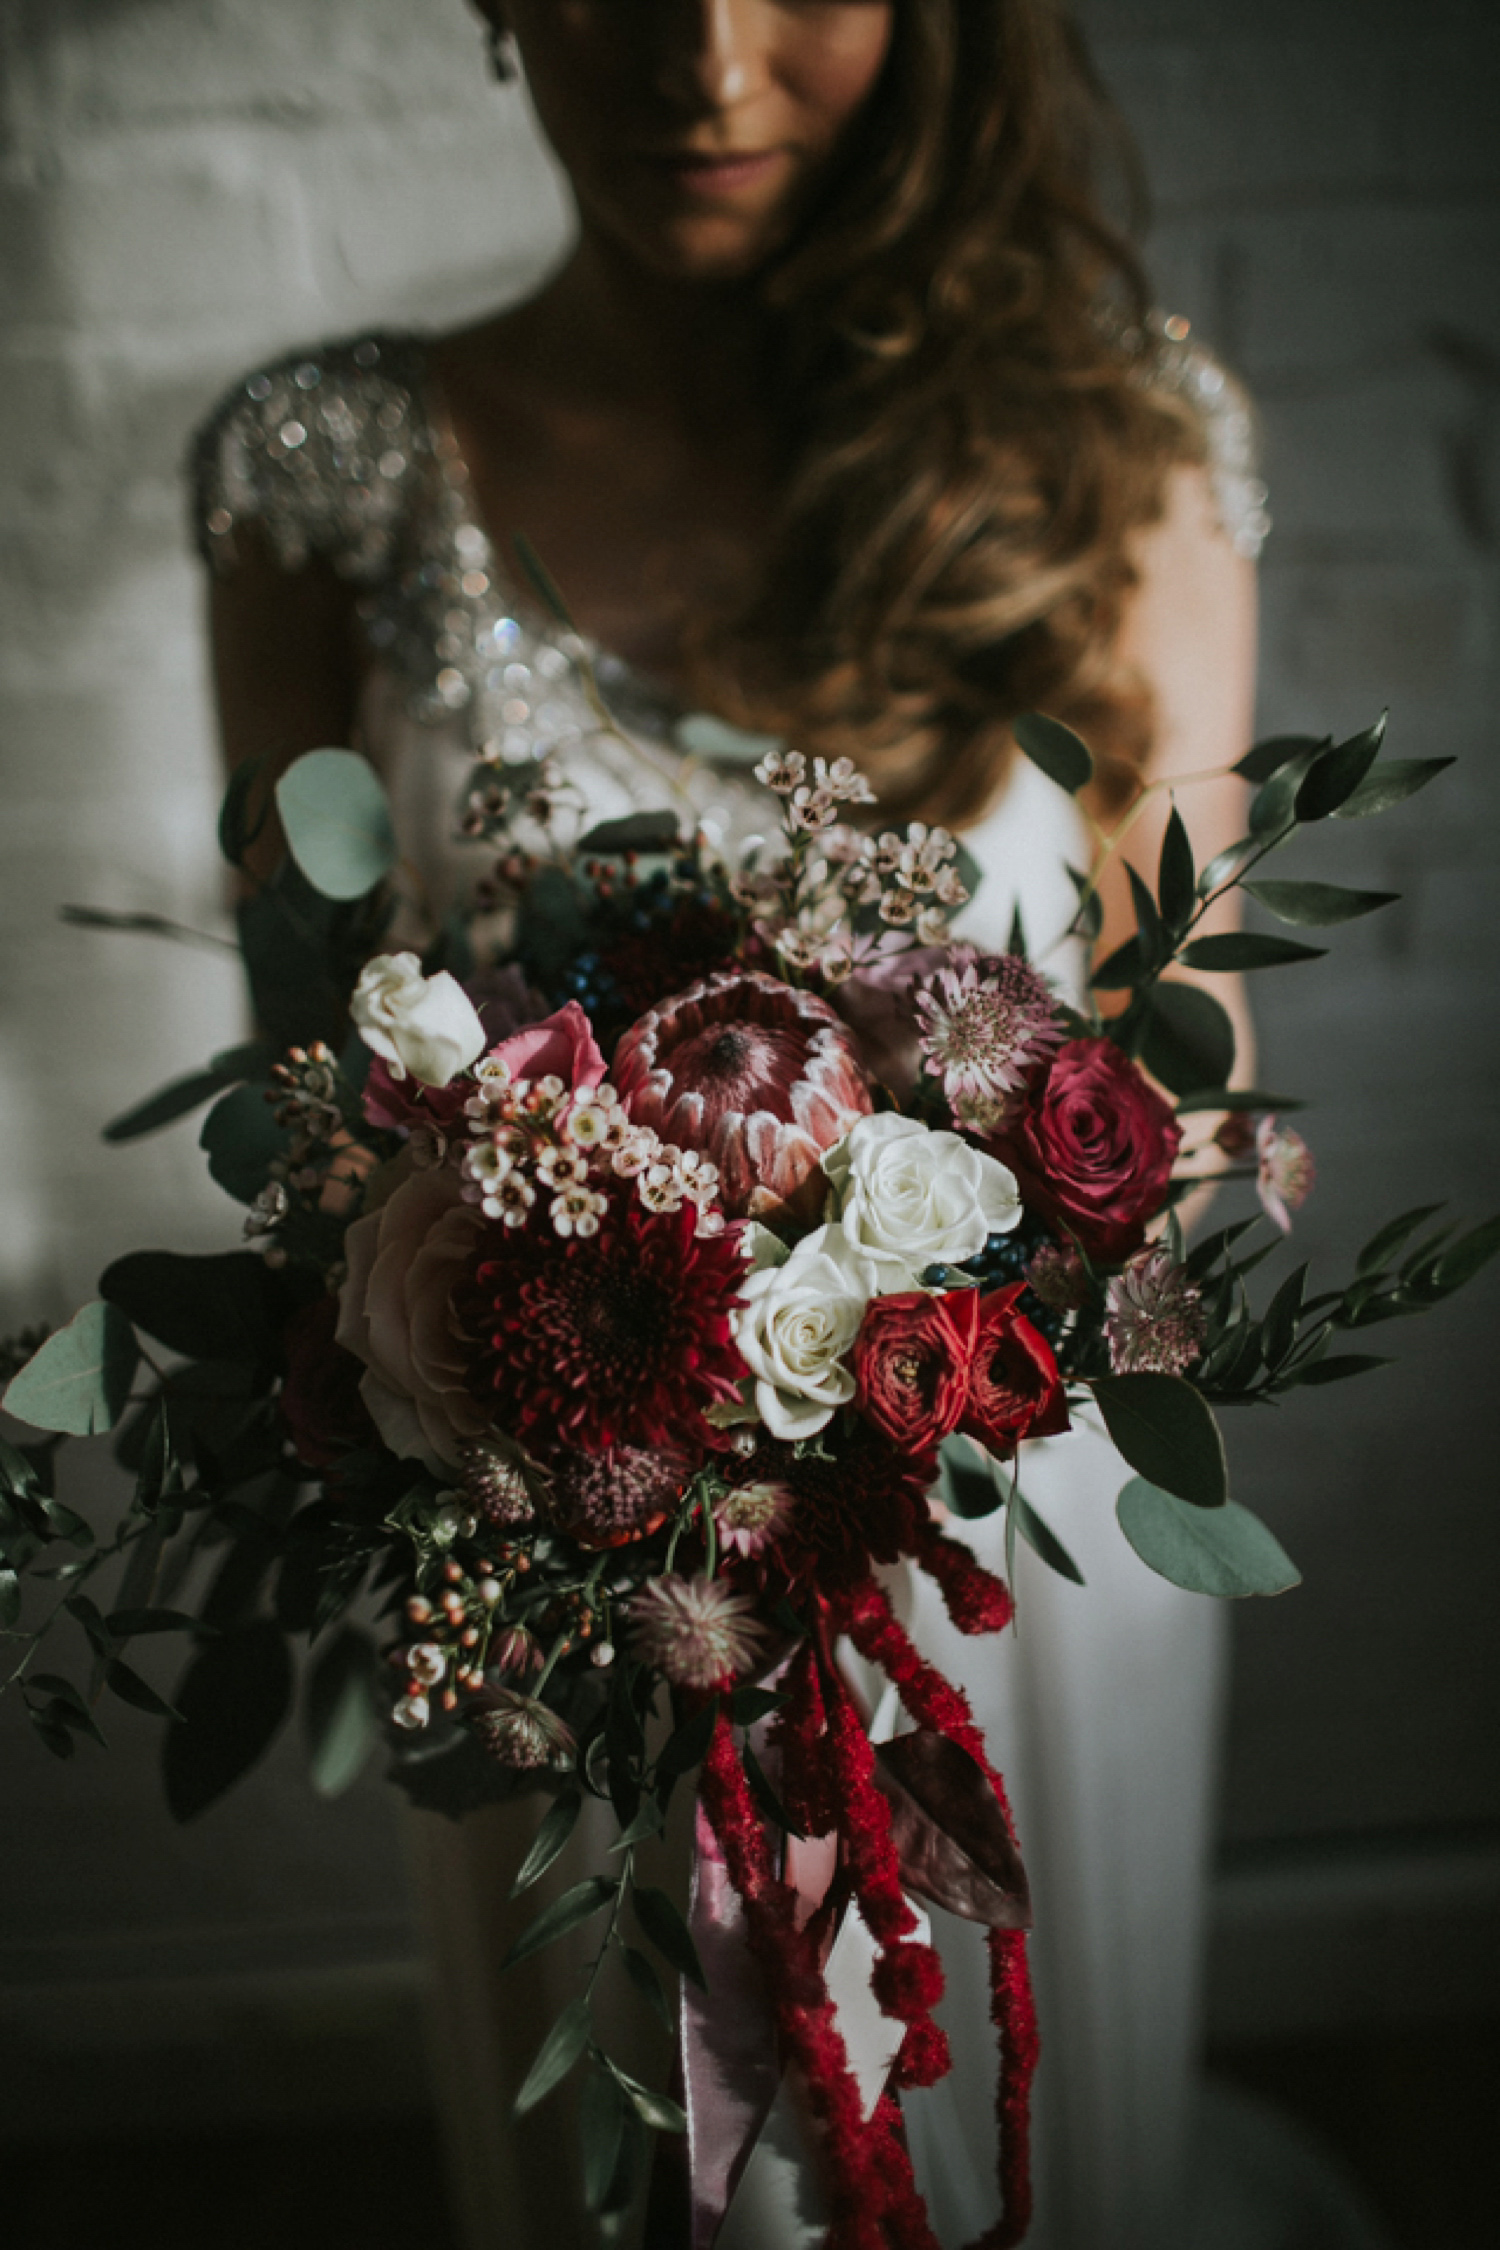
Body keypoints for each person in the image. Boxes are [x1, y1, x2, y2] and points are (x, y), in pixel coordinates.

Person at [193, 6, 1267, 2245]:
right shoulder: (332, 476)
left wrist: (1137, 1185)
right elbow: (308, 1097)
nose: (704, 63)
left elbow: (1190, 1049)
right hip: (556, 1556)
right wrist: (555, 1395)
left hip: (1004, 1543)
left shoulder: (1118, 445)